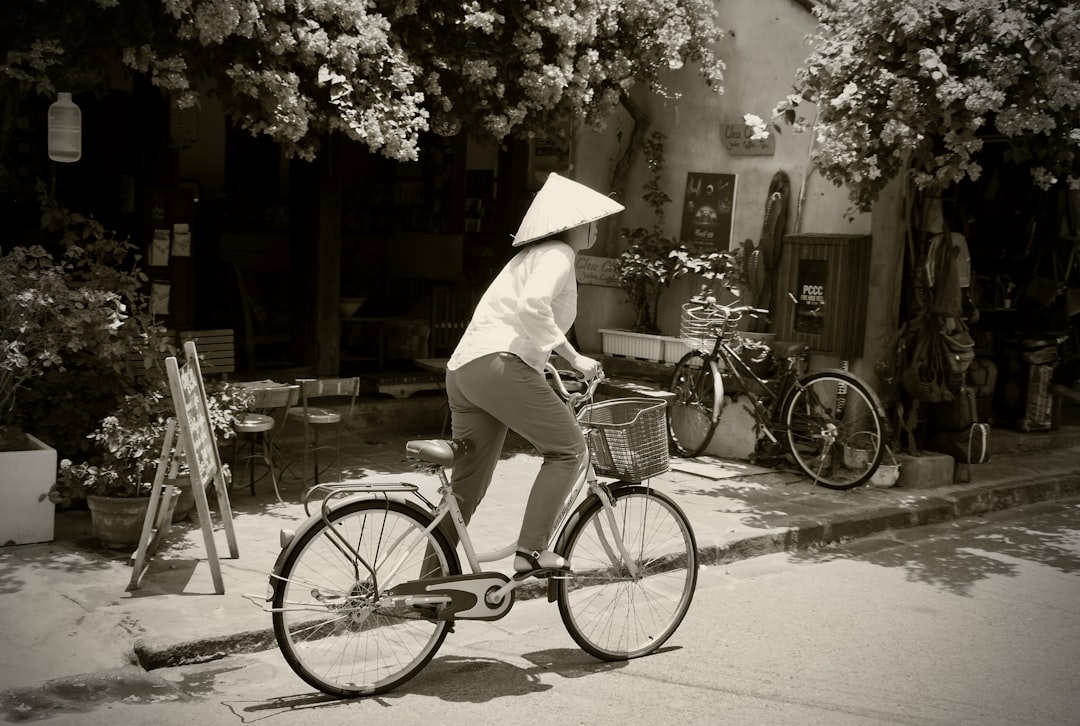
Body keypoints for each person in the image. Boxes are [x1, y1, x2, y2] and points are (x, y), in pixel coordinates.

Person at [444, 172, 624, 579]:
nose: (595, 228)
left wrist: (545, 364)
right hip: (498, 368)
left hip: (465, 371)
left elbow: (514, 321)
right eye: (591, 221)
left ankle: (427, 582)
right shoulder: (558, 255)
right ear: (572, 225)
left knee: (465, 490)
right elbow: (531, 308)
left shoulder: (527, 257)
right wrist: (574, 358)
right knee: (569, 451)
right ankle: (531, 551)